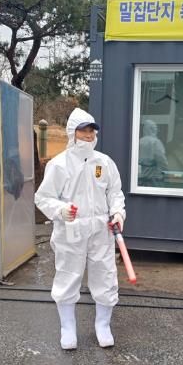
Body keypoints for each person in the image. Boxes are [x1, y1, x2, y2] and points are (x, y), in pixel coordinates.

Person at [35, 108, 126, 350]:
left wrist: (118, 213)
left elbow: (115, 192)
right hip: (71, 230)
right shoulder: (59, 164)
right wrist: (61, 210)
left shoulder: (104, 162)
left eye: (91, 131)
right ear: (71, 132)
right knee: (68, 276)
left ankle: (103, 326)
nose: (88, 135)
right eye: (83, 130)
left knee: (105, 276)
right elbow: (43, 197)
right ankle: (67, 328)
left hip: (101, 229)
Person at [138, 119, 168, 186]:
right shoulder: (156, 142)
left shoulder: (139, 141)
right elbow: (163, 162)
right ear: (151, 129)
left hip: (140, 180)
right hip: (153, 180)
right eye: (154, 128)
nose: (156, 130)